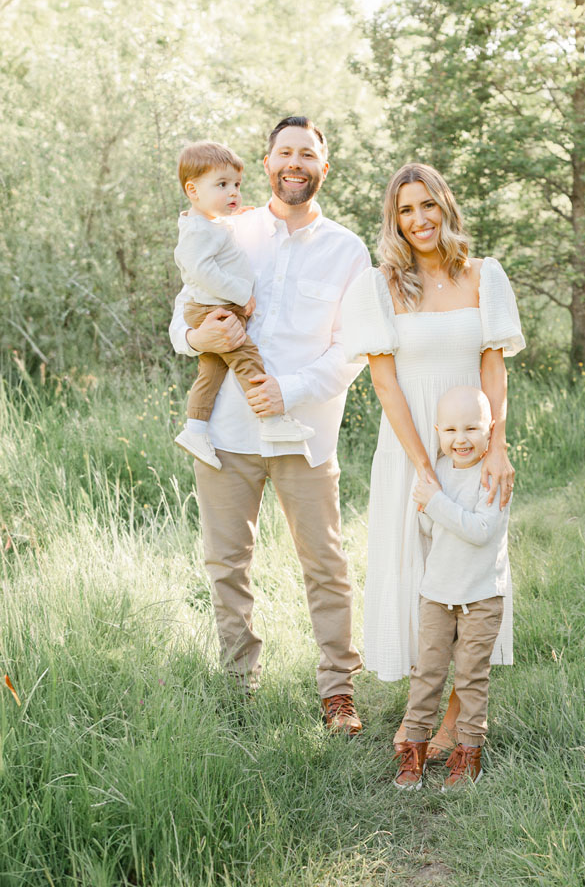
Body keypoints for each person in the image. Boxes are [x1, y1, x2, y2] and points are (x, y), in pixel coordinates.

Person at [170, 117, 370, 733]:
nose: (295, 162)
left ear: (322, 168)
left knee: (326, 563)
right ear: (266, 163)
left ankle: (338, 690)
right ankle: (238, 688)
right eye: (285, 152)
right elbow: (182, 318)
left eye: (307, 154)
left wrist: (290, 388)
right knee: (226, 564)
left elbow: (354, 350)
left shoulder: (347, 250)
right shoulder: (226, 229)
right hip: (226, 433)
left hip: (304, 433)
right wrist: (195, 335)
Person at [341, 162, 524, 756]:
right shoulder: (380, 286)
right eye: (405, 210)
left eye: (428, 206)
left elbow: (492, 369)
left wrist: (495, 447)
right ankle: (418, 714)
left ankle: (453, 720)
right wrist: (423, 466)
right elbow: (386, 386)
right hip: (410, 448)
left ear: (445, 207)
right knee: (416, 571)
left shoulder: (484, 276)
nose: (418, 220)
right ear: (394, 220)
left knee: (468, 567)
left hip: (473, 449)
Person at [393, 385, 509, 792]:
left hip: (480, 597)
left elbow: (481, 530)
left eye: (472, 428)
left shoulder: (493, 475)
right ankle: (415, 751)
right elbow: (428, 525)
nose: (461, 439)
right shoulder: (437, 471)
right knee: (426, 674)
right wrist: (433, 503)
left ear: (490, 429)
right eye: (452, 430)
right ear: (438, 431)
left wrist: (437, 503)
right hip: (437, 595)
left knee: (471, 677)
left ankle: (468, 754)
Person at [173, 140, 314, 470]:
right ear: (192, 191)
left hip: (214, 308)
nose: (233, 192)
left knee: (211, 373)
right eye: (222, 185)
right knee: (247, 358)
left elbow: (219, 242)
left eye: (236, 184)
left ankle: (194, 429)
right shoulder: (196, 232)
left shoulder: (211, 224)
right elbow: (202, 270)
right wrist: (242, 294)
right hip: (215, 311)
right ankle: (271, 419)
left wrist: (235, 216)